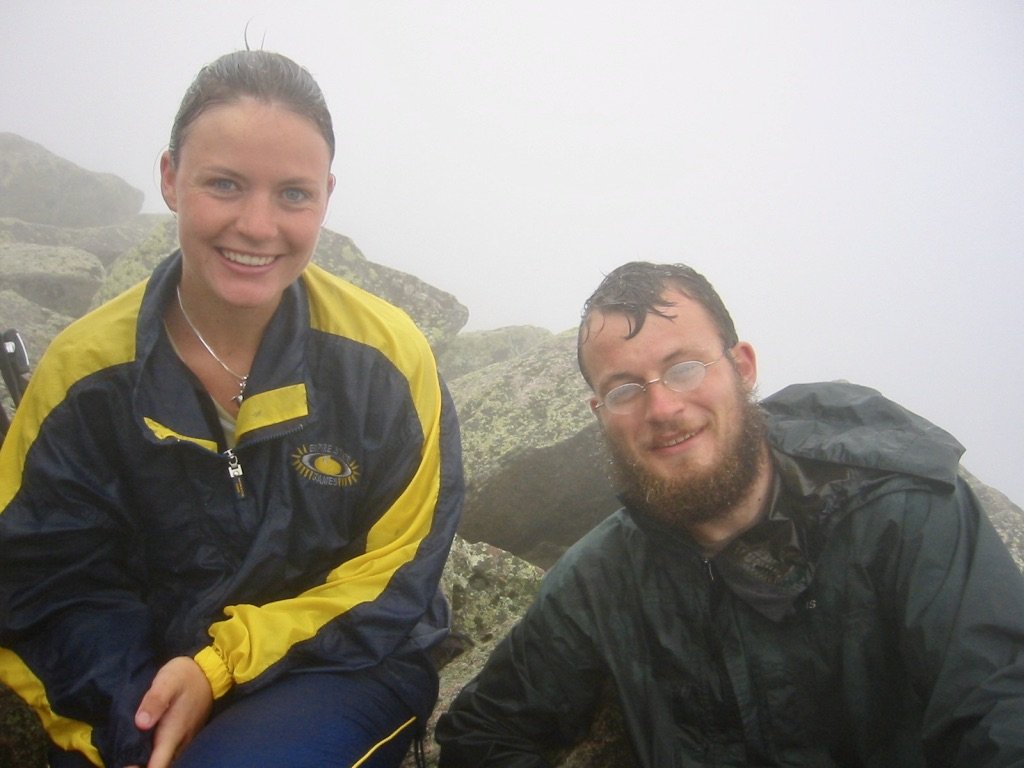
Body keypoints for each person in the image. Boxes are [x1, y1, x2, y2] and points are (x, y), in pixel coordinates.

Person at [0, 50, 463, 768]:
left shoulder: (386, 360)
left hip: (340, 666)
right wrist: (137, 711)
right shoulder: (84, 375)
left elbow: (396, 572)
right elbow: (43, 576)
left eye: (293, 195)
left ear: (327, 195)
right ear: (169, 178)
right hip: (142, 672)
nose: (257, 224)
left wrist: (218, 668)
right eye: (224, 184)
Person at [435, 261, 1024, 766]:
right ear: (599, 413)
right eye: (624, 389)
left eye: (685, 367)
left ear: (742, 367)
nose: (662, 406)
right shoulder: (602, 580)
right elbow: (484, 735)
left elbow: (998, 710)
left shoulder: (898, 511)